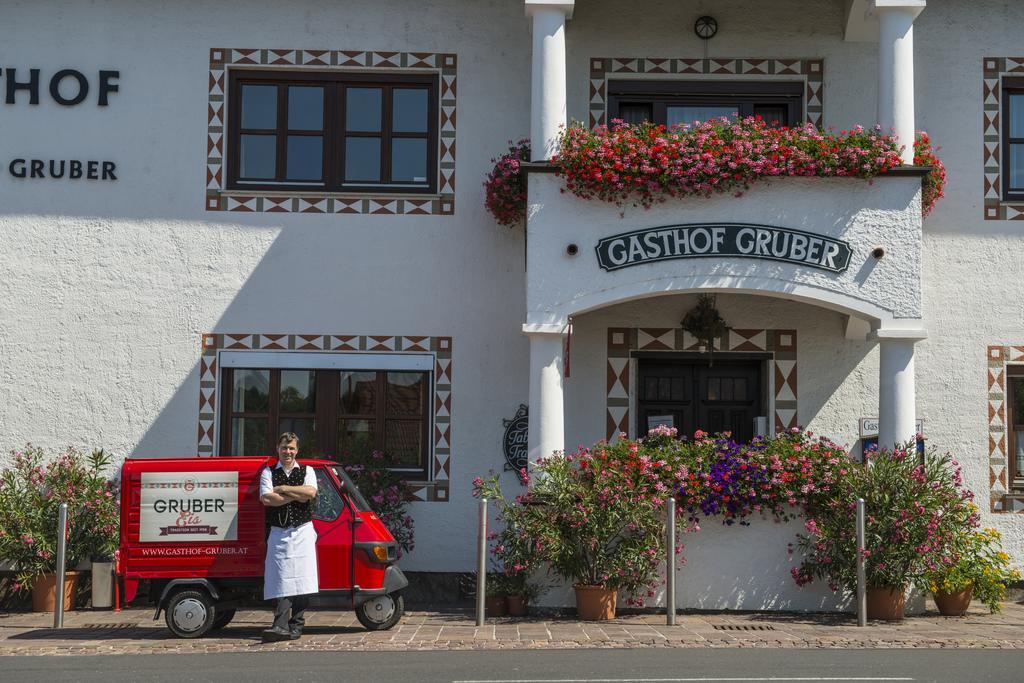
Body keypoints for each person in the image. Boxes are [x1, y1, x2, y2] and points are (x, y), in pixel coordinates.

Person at [259, 432, 318, 643]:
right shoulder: (268, 472)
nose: (288, 452)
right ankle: (280, 625)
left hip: (302, 531)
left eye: (291, 448)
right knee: (281, 578)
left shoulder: (307, 470)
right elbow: (267, 499)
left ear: (297, 450)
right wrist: (297, 494)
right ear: (278, 448)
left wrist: (283, 489)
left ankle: (296, 626)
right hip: (278, 532)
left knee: (303, 579)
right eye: (284, 447)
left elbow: (310, 493)